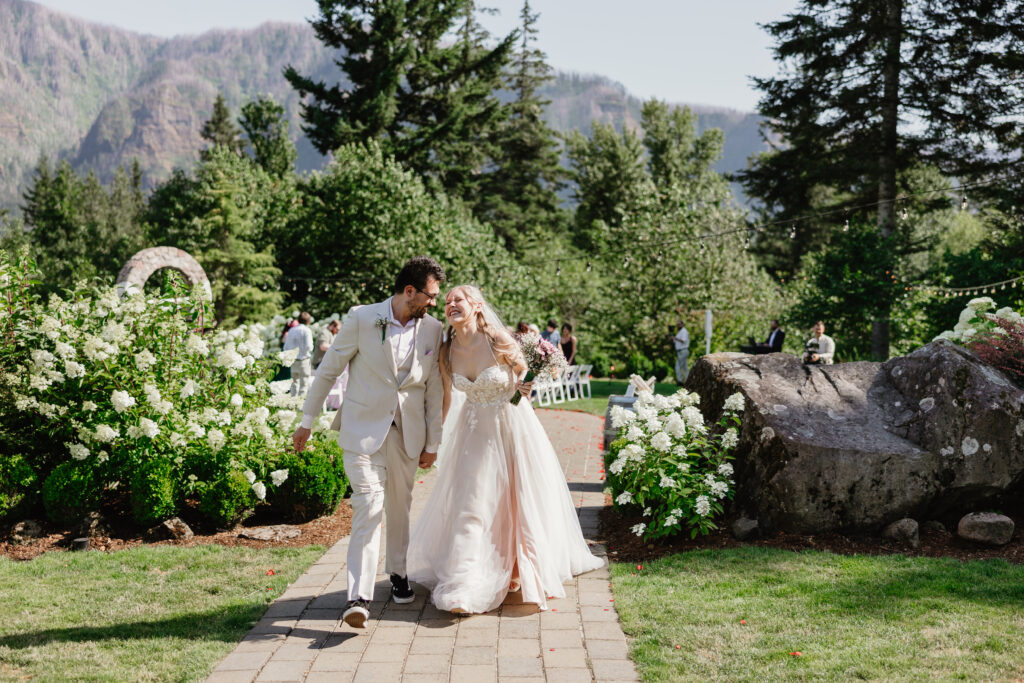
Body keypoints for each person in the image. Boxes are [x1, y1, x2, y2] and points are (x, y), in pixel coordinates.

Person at [407, 285, 604, 614]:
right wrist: (434, 442)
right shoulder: (446, 351)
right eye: (447, 302)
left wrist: (525, 383)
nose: (451, 304)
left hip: (511, 426)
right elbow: (445, 400)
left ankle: (517, 567)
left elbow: (522, 371)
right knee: (471, 503)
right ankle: (465, 582)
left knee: (517, 499)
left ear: (477, 305)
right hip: (472, 434)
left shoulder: (497, 339)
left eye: (458, 299)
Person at [292, 257, 445, 629]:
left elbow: (433, 390)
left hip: (408, 435)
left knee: (399, 506)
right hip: (362, 432)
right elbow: (329, 369)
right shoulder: (362, 318)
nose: (435, 303)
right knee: (369, 505)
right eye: (431, 295)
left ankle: (398, 572)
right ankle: (358, 596)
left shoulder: (434, 330)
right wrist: (306, 422)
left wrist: (433, 442)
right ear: (410, 291)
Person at [284, 312, 314, 396]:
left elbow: (286, 347)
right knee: (304, 384)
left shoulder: (291, 330)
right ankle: (300, 406)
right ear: (308, 321)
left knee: (294, 383)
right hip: (304, 360)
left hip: (293, 360)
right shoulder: (306, 330)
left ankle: (292, 404)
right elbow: (309, 347)